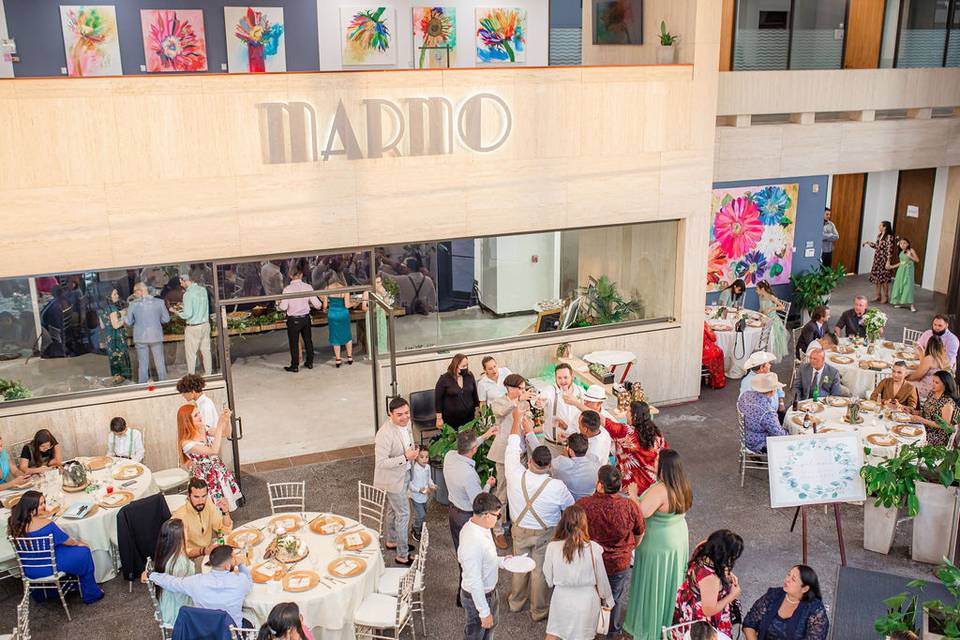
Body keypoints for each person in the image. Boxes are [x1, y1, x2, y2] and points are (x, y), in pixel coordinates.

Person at [505, 406, 574, 622]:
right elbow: (570, 508)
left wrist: (518, 421)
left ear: (531, 461)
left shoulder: (514, 474)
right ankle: (539, 611)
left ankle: (516, 602)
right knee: (540, 571)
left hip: (519, 528)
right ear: (549, 465)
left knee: (519, 564)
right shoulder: (557, 486)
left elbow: (511, 446)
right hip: (545, 532)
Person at [623, 450, 692, 640]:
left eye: (656, 462)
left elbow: (642, 512)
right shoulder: (682, 484)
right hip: (677, 537)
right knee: (671, 580)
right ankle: (668, 619)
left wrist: (633, 494)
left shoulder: (661, 489)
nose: (653, 464)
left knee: (654, 581)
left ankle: (650, 622)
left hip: (659, 542)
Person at [577, 465, 645, 639]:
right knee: (614, 597)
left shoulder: (584, 505)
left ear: (600, 485)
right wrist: (629, 547)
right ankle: (612, 632)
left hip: (591, 560)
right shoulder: (629, 506)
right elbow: (639, 532)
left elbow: (574, 531)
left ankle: (588, 629)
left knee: (589, 594)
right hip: (619, 562)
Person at [7, 491, 104, 604]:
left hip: (29, 568)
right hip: (49, 566)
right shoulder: (47, 524)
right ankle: (92, 594)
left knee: (64, 549)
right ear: (31, 507)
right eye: (41, 504)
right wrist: (80, 543)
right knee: (84, 552)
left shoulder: (14, 521)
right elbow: (68, 541)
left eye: (44, 502)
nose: (44, 506)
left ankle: (48, 592)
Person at [543, 505, 614, 640]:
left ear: (563, 523)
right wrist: (608, 599)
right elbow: (602, 578)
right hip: (587, 600)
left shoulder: (552, 547)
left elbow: (548, 577)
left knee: (554, 633)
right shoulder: (594, 548)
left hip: (561, 598)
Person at [443, 430, 497, 606]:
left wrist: (485, 435)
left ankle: (463, 593)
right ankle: (466, 596)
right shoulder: (469, 475)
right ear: (473, 449)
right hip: (466, 516)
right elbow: (478, 502)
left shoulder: (450, 456)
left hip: (453, 512)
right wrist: (488, 485)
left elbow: (468, 446)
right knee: (470, 557)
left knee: (462, 552)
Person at [148, 544, 252, 629]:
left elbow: (172, 582)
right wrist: (242, 564)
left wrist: (151, 575)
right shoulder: (240, 581)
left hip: (204, 631)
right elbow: (249, 585)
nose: (235, 559)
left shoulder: (196, 582)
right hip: (231, 633)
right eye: (233, 557)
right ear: (227, 566)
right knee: (251, 619)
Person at [486, 373, 537, 545]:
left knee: (520, 490)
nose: (523, 391)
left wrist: (532, 408)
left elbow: (529, 421)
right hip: (503, 453)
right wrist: (516, 402)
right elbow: (501, 412)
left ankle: (517, 525)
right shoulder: (499, 401)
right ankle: (498, 529)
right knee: (501, 491)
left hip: (522, 452)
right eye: (520, 388)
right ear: (510, 387)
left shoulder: (524, 402)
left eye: (524, 388)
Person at [673, 529, 744, 637]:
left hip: (689, 601)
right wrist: (732, 595)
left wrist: (727, 572)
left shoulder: (703, 547)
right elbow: (709, 610)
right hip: (703, 621)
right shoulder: (711, 578)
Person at [374, 396, 419, 566]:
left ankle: (392, 541)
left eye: (407, 413)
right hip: (393, 480)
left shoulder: (406, 424)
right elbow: (381, 463)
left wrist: (412, 455)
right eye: (399, 414)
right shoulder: (384, 435)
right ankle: (402, 554)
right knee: (404, 514)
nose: (405, 417)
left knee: (393, 510)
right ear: (389, 414)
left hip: (404, 473)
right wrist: (405, 458)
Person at [458, 492, 509, 640]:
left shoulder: (477, 527)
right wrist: (484, 612)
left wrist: (502, 561)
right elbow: (474, 581)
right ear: (487, 515)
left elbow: (485, 559)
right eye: (497, 516)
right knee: (475, 635)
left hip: (489, 593)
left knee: (489, 631)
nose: (497, 519)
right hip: (478, 598)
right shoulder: (473, 542)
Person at [177, 404, 242, 511]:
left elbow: (226, 433)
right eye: (196, 415)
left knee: (224, 507)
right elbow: (213, 451)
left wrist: (227, 420)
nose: (200, 416)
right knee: (211, 510)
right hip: (204, 478)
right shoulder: (186, 443)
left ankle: (224, 524)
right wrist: (220, 425)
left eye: (199, 413)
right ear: (187, 420)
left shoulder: (203, 428)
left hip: (218, 472)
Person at [603, 400, 669, 499]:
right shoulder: (657, 434)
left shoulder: (625, 432)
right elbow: (665, 456)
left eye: (628, 411)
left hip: (628, 486)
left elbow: (601, 420)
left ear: (634, 416)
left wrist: (575, 402)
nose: (626, 413)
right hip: (650, 485)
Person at [743, 565, 829, 640]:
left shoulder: (815, 610)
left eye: (793, 579)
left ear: (805, 589)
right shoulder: (773, 595)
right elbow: (750, 622)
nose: (787, 579)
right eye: (788, 574)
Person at [172, 478, 234, 562]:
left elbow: (224, 531)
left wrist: (225, 512)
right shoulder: (179, 517)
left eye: (204, 496)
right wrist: (203, 551)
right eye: (196, 497)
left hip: (209, 550)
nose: (201, 501)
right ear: (188, 496)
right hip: (190, 560)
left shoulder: (208, 504)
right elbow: (179, 551)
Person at [151, 518, 196, 626]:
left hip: (167, 600)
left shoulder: (166, 553)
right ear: (179, 538)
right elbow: (181, 595)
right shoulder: (179, 564)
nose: (187, 530)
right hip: (179, 610)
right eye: (185, 529)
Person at [278, 267, 322, 373]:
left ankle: (295, 365)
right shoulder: (308, 287)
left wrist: (278, 304)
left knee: (294, 343)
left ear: (290, 275)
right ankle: (310, 362)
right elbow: (318, 305)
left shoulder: (287, 289)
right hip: (305, 318)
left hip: (293, 320)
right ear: (301, 275)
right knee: (308, 341)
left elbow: (283, 308)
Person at [125, 282, 170, 383]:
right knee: (160, 362)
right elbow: (166, 319)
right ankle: (164, 383)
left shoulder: (133, 304)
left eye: (135, 292)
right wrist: (157, 321)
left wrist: (124, 316)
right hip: (156, 335)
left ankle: (143, 386)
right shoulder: (159, 302)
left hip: (140, 337)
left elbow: (129, 322)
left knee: (143, 364)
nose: (134, 295)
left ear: (140, 292)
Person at [536, 363, 584, 446]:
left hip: (574, 445)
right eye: (559, 378)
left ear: (572, 376)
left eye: (565, 377)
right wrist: (539, 401)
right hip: (553, 444)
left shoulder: (580, 391)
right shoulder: (551, 390)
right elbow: (544, 396)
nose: (562, 381)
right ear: (555, 378)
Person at [738, 373, 787, 453]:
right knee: (787, 439)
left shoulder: (745, 395)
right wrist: (791, 433)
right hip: (758, 444)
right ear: (772, 391)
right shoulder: (768, 412)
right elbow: (779, 435)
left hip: (745, 435)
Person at [176, 274, 212, 376]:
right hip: (205, 325)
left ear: (187, 281)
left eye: (181, 282)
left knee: (191, 354)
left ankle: (191, 376)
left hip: (193, 327)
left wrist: (176, 312)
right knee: (206, 351)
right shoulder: (203, 290)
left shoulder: (187, 294)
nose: (181, 285)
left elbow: (188, 314)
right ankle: (208, 374)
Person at [913, 370, 959, 447]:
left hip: (936, 436)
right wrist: (912, 411)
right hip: (924, 426)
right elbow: (926, 412)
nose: (933, 384)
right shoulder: (932, 393)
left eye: (936, 383)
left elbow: (944, 426)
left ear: (945, 385)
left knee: (912, 439)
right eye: (933, 381)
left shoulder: (947, 403)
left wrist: (922, 420)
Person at [435, 354, 480, 429]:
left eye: (466, 365)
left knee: (470, 439)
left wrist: (477, 410)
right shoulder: (444, 379)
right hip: (451, 419)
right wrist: (439, 418)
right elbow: (438, 400)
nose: (465, 368)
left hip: (469, 417)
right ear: (455, 365)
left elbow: (474, 394)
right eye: (463, 366)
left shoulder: (469, 375)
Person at [550, 433, 600, 500]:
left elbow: (546, 465)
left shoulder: (561, 464)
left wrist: (563, 455)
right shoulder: (595, 460)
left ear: (570, 451)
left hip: (569, 505)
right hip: (589, 501)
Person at [740, 352, 786, 422]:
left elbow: (779, 389)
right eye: (768, 363)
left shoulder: (769, 375)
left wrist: (781, 403)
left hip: (776, 412)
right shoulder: (748, 383)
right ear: (761, 368)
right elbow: (747, 406)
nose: (770, 365)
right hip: (764, 418)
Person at [98, 287, 132, 383]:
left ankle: (116, 380)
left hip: (109, 338)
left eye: (117, 293)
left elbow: (102, 325)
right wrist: (125, 317)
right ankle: (124, 381)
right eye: (114, 294)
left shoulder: (102, 309)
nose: (117, 296)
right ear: (109, 297)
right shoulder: (112, 308)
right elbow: (116, 325)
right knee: (121, 359)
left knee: (113, 359)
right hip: (117, 338)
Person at [322, 274, 354, 367]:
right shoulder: (344, 289)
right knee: (347, 335)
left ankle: (338, 360)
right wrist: (355, 303)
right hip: (343, 314)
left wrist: (325, 309)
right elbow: (347, 305)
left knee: (335, 336)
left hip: (332, 314)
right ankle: (350, 357)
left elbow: (324, 306)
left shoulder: (327, 288)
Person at [907, 334, 951, 399]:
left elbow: (917, 376)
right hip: (939, 389)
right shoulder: (944, 358)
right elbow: (924, 368)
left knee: (901, 382)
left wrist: (906, 378)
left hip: (928, 389)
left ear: (929, 345)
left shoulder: (930, 358)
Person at [862, 221, 896, 303]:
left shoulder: (889, 237)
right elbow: (877, 246)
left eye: (880, 225)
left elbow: (889, 250)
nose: (879, 226)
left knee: (884, 280)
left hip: (884, 260)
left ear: (885, 227)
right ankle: (878, 295)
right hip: (877, 259)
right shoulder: (879, 235)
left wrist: (888, 261)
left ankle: (886, 297)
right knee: (878, 278)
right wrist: (868, 243)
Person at [756, 281, 789, 361]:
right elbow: (761, 308)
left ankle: (769, 352)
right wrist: (758, 313)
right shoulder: (761, 296)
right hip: (764, 319)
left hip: (772, 320)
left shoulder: (771, 297)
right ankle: (760, 350)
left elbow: (782, 307)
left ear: (762, 289)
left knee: (769, 336)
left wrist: (772, 308)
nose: (756, 291)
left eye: (757, 289)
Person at [410, 445, 436, 541]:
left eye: (427, 457)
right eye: (422, 457)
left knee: (424, 513)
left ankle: (418, 525)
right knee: (421, 514)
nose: (425, 459)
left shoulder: (428, 467)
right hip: (416, 496)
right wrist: (419, 490)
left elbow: (429, 479)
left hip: (425, 495)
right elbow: (410, 484)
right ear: (416, 457)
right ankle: (416, 530)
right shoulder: (414, 469)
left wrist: (432, 485)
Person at [888, 238, 920, 312]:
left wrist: (910, 256)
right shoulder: (901, 252)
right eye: (901, 243)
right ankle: (900, 302)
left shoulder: (911, 250)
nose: (903, 245)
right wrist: (892, 266)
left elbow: (917, 260)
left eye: (904, 243)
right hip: (901, 271)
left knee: (908, 286)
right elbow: (901, 263)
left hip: (908, 271)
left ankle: (912, 305)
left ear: (908, 244)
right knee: (900, 285)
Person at [702, 321, 726, 389]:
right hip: (704, 351)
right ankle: (717, 382)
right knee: (719, 352)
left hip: (693, 349)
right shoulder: (702, 323)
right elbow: (713, 338)